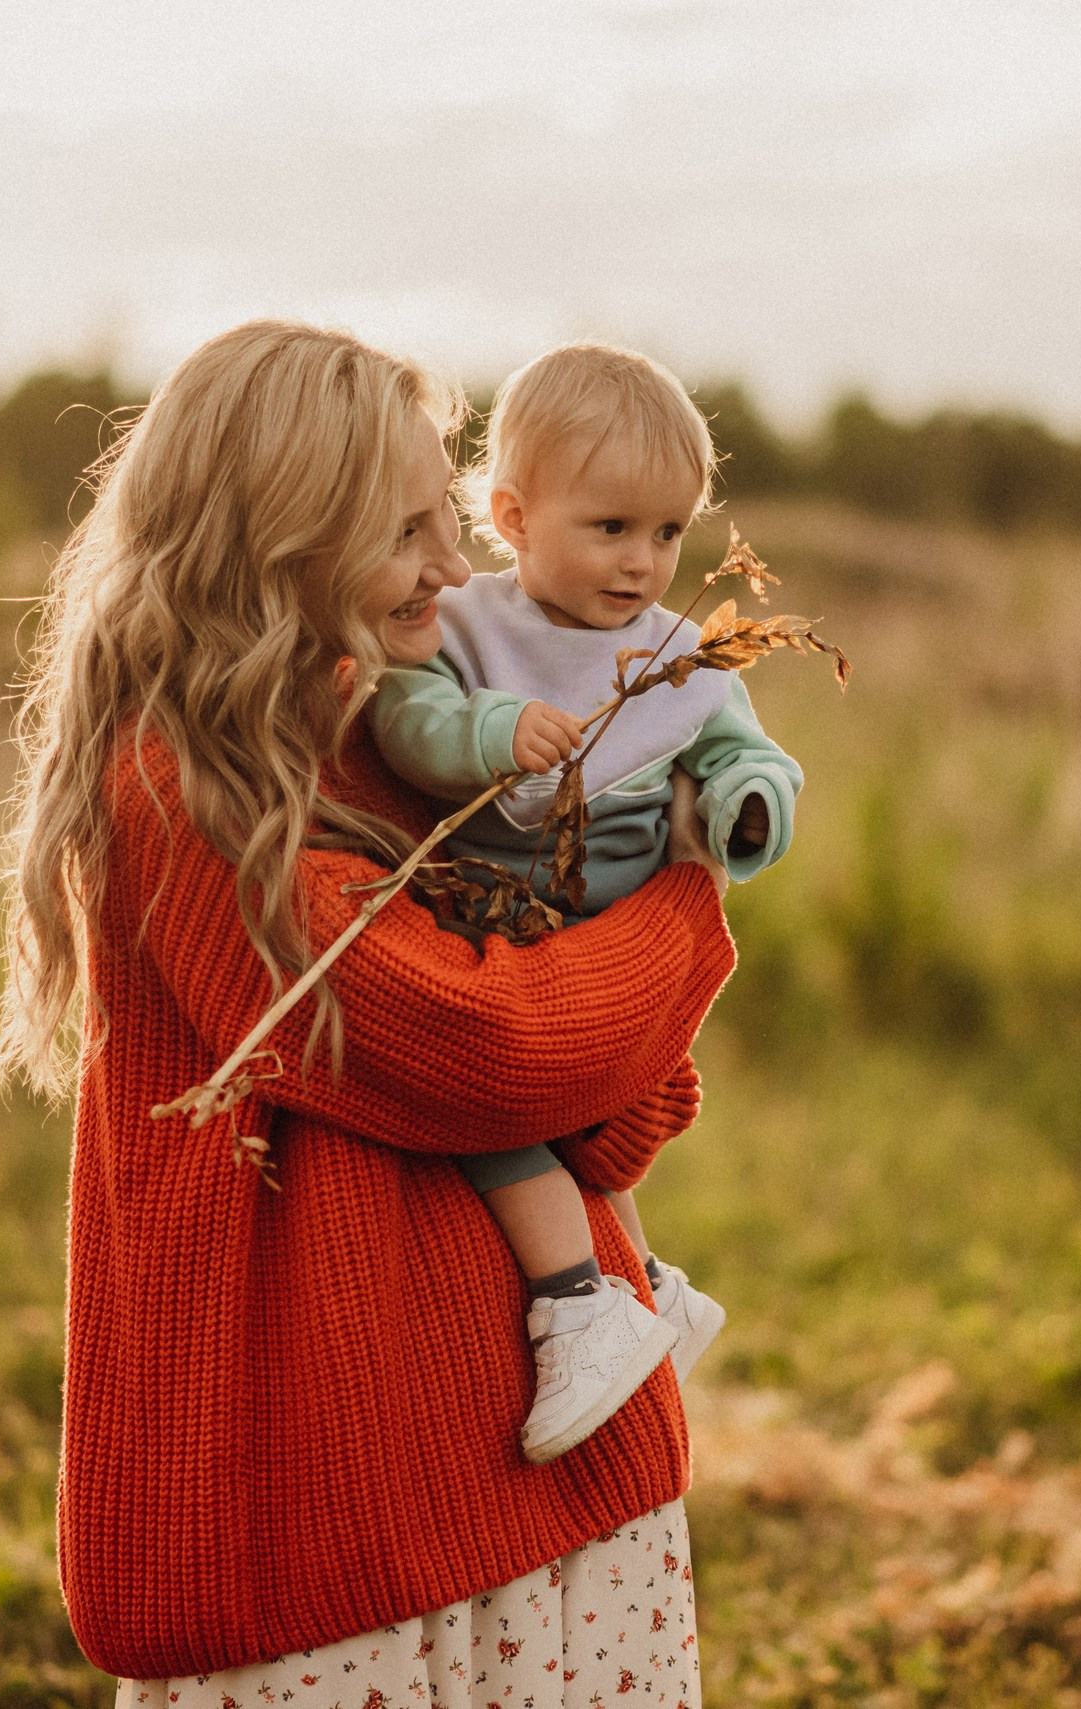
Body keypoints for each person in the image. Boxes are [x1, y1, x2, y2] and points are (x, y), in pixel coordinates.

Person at [0, 320, 731, 1704]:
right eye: (407, 530)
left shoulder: (397, 737)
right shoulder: (184, 790)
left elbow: (623, 1108)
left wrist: (593, 1018)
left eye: (451, 516)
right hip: (341, 1517)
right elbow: (489, 1049)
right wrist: (685, 904)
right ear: (278, 542)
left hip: (523, 1464)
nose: (459, 567)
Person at [371, 343, 803, 1465]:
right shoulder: (464, 628)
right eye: (610, 528)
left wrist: (745, 810)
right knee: (515, 1117)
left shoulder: (676, 657)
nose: (646, 564)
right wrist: (490, 734)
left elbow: (746, 754)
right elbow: (402, 720)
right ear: (512, 515)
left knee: (521, 1120)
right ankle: (633, 1285)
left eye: (668, 533)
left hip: (604, 926)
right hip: (505, 915)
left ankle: (582, 1300)